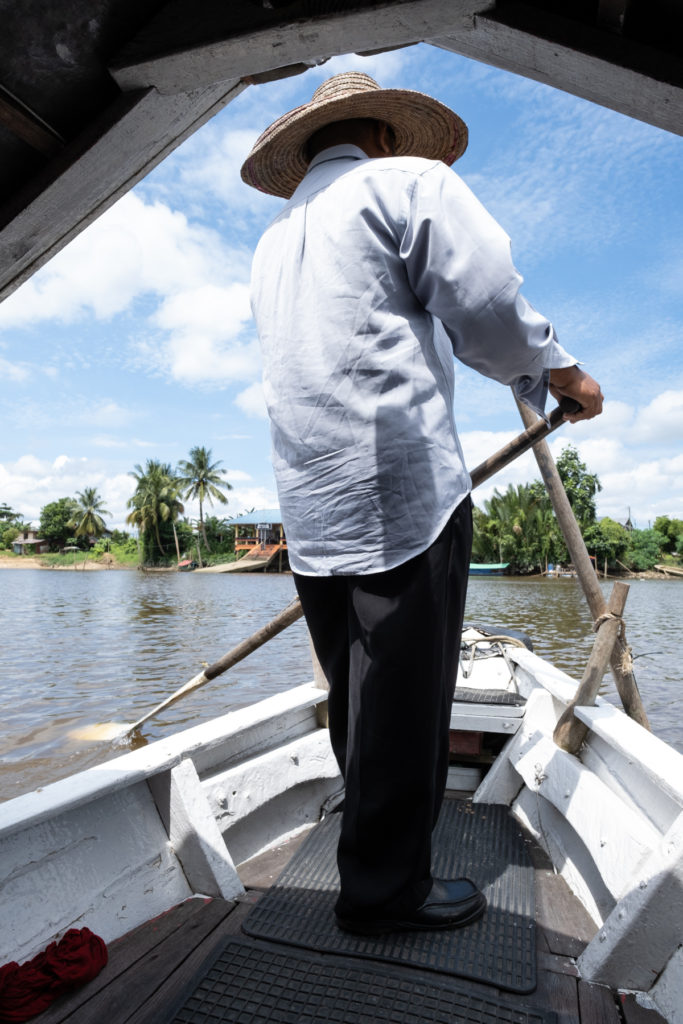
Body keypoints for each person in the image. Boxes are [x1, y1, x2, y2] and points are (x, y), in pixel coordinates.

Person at [240, 71, 603, 936]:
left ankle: (371, 861)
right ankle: (384, 894)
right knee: (405, 706)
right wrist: (562, 374)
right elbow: (483, 306)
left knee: (359, 699)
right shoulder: (411, 184)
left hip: (313, 504)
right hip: (401, 490)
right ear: (387, 135)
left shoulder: (273, 240)